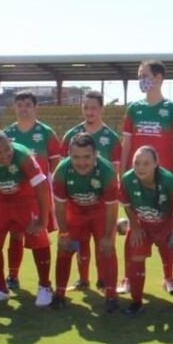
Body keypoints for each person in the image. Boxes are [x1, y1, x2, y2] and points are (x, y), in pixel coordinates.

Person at [120, 60, 173, 295]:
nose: (141, 80)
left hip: (163, 183)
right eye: (139, 76)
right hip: (137, 181)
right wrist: (123, 177)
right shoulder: (134, 109)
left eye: (145, 75)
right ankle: (128, 277)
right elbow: (126, 145)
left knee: (166, 228)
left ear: (159, 78)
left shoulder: (171, 109)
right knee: (135, 227)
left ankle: (169, 278)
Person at [0, 131, 53, 306]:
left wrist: (42, 221)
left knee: (38, 237)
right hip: (0, 200)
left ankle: (45, 287)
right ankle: (0, 289)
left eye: (7, 149)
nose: (5, 155)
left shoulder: (22, 155)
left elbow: (42, 186)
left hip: (26, 199)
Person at [118, 145, 173, 315]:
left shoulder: (168, 181)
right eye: (136, 163)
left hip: (170, 224)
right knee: (136, 256)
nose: (140, 167)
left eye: (146, 163)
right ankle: (136, 303)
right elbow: (127, 205)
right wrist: (135, 226)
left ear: (156, 164)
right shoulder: (127, 180)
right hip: (144, 225)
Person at [3, 92, 64, 291]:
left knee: (40, 235)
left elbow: (56, 165)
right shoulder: (7, 134)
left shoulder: (46, 133)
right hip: (15, 195)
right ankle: (12, 275)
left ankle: (44, 282)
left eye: (28, 104)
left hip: (39, 196)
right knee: (14, 234)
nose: (23, 108)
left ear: (35, 107)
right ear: (14, 107)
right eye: (19, 104)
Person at [52, 134, 120, 311]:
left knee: (107, 249)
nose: (81, 162)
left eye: (87, 157)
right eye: (76, 157)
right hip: (75, 212)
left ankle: (111, 295)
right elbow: (59, 207)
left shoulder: (108, 171)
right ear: (68, 154)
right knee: (65, 248)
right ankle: (59, 294)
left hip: (100, 213)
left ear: (96, 154)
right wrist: (64, 233)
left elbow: (112, 208)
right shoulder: (61, 171)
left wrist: (107, 236)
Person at [62, 90, 122, 290]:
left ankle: (104, 279)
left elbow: (116, 171)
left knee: (103, 243)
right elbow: (62, 171)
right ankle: (83, 279)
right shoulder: (71, 135)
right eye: (86, 108)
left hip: (101, 203)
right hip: (76, 202)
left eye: (93, 108)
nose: (89, 112)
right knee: (80, 243)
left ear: (101, 109)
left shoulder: (111, 138)